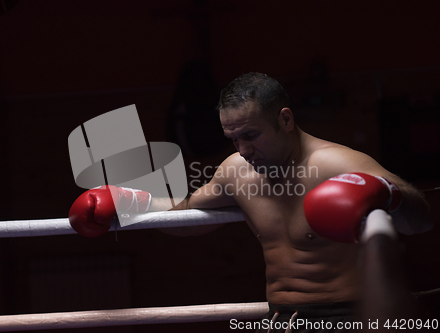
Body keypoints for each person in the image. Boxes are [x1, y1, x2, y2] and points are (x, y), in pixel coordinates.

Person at [69, 73, 432, 332]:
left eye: (251, 135)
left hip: (348, 317)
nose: (243, 149)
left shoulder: (338, 165)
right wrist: (128, 202)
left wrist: (390, 194)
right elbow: (191, 217)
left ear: (285, 120)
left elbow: (422, 219)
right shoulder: (236, 172)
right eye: (233, 138)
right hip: (280, 319)